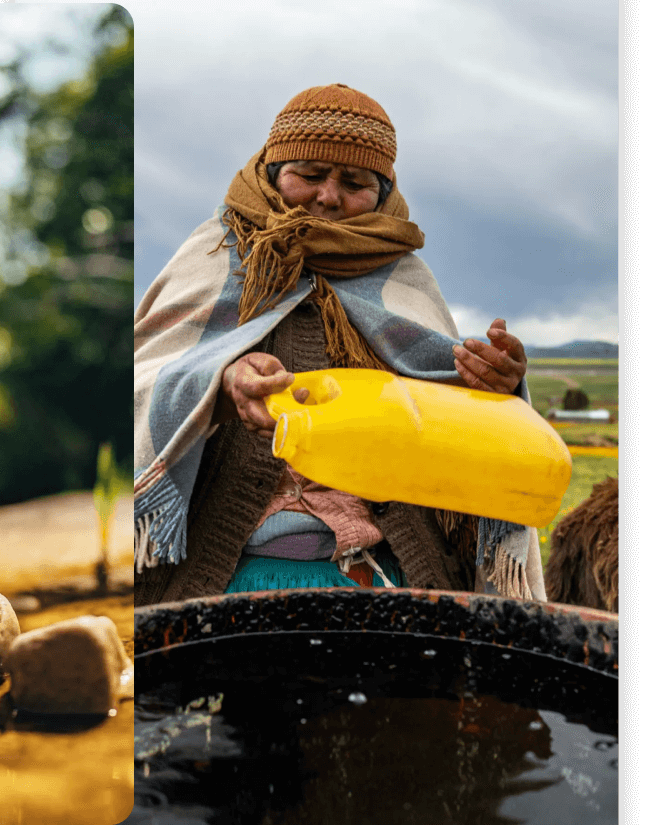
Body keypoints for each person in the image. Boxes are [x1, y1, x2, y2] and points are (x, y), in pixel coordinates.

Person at [134, 83, 545, 605]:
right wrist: (220, 384)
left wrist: (494, 387)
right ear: (271, 172)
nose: (329, 196)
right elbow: (145, 381)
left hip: (390, 576)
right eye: (308, 175)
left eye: (354, 183)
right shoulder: (214, 256)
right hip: (229, 577)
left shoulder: (404, 279)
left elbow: (450, 422)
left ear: (383, 192)